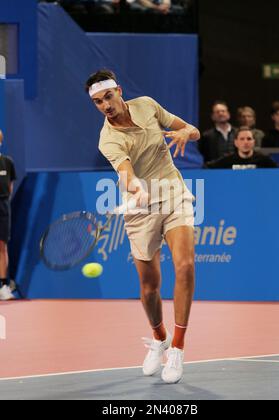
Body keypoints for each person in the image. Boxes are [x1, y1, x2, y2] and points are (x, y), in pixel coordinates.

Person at [85, 69, 200, 383]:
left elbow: (193, 131)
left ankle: (177, 348)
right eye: (97, 102)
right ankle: (159, 337)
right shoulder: (108, 139)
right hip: (139, 210)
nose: (105, 105)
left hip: (173, 193)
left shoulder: (147, 105)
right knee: (149, 288)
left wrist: (185, 132)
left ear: (119, 91)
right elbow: (125, 172)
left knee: (186, 265)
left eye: (108, 96)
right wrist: (136, 188)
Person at [205, 127, 278, 169]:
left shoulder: (264, 160)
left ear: (254, 142)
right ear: (236, 143)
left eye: (249, 139)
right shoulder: (227, 160)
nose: (245, 142)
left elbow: (277, 172)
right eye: (242, 139)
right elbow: (207, 167)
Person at [0, 129, 16, 300]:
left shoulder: (7, 162)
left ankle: (4, 286)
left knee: (2, 246)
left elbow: (9, 187)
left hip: (3, 206)